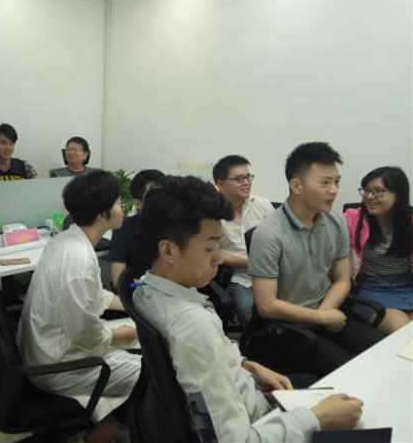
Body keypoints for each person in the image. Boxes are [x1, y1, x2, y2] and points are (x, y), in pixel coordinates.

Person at [133, 175, 364, 443]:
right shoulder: (192, 325)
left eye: (219, 244)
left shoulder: (146, 287)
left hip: (249, 393)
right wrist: (317, 419)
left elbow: (208, 357)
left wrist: (248, 365)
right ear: (168, 251)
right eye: (209, 247)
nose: (219, 258)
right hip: (259, 423)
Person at [17, 170, 141, 443]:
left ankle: (111, 420)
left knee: (139, 341)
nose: (123, 208)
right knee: (153, 372)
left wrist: (133, 306)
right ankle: (98, 437)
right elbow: (85, 334)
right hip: (59, 366)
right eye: (118, 203)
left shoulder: (67, 240)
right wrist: (120, 334)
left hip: (49, 347)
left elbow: (91, 296)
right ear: (101, 214)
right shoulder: (79, 260)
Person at [248, 142, 383, 377]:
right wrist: (321, 317)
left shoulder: (335, 221)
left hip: (327, 310)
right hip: (287, 326)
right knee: (353, 374)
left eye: (337, 181)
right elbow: (266, 305)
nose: (334, 190)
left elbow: (342, 279)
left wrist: (325, 314)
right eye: (325, 182)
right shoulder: (269, 234)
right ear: (296, 185)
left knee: (383, 353)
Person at [344, 166, 413, 334]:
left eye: (378, 191)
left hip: (407, 285)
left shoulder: (409, 220)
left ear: (399, 193)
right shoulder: (352, 219)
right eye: (366, 191)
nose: (369, 197)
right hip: (371, 289)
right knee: (406, 332)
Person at [213, 155, 275, 323]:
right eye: (239, 179)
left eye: (248, 177)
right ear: (220, 184)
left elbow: (280, 240)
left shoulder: (262, 205)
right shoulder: (211, 213)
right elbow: (214, 253)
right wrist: (250, 263)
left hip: (273, 274)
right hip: (239, 277)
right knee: (250, 316)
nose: (246, 182)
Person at [109, 169, 164, 292]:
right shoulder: (123, 228)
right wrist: (144, 286)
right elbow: (118, 282)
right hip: (137, 297)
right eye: (154, 196)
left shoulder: (176, 226)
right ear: (138, 204)